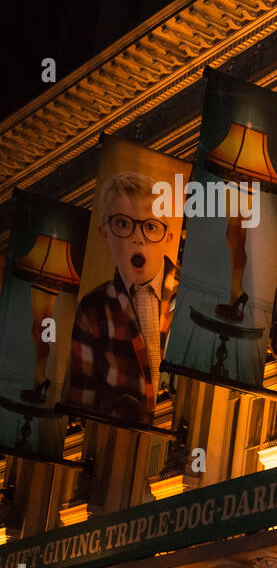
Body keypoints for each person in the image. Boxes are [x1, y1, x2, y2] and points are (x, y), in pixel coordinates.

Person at [64, 172, 179, 424]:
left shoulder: (191, 297)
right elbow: (82, 404)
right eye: (124, 224)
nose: (138, 237)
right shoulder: (92, 311)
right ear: (105, 232)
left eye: (150, 226)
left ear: (168, 237)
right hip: (121, 449)